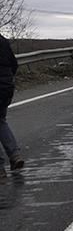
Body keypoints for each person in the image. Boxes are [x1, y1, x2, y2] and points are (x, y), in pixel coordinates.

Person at [0, 33, 24, 178]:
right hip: (6, 87)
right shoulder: (2, 40)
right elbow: (14, 64)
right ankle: (14, 155)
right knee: (1, 121)